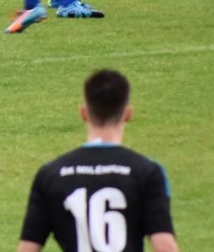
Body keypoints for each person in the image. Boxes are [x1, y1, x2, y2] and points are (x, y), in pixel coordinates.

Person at [17, 69, 179, 252]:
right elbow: (164, 245)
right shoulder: (148, 171)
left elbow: (27, 248)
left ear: (83, 113)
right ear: (128, 113)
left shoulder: (50, 174)